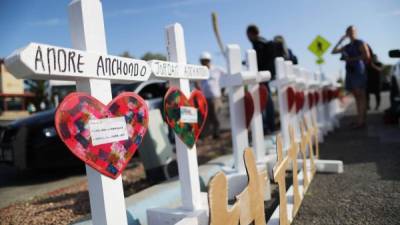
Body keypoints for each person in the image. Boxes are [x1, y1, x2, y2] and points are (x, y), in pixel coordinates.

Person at [246, 24, 287, 133]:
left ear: (251, 33)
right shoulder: (264, 42)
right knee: (266, 101)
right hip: (265, 76)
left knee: (265, 102)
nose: (247, 37)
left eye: (248, 34)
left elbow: (259, 61)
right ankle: (270, 125)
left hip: (261, 77)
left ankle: (269, 126)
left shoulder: (258, 44)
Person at [332, 25, 371, 128]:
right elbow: (333, 51)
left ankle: (361, 121)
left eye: (352, 31)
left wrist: (351, 59)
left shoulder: (360, 42)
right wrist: (340, 40)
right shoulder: (347, 46)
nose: (350, 33)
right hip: (350, 71)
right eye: (348, 32)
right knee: (357, 96)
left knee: (360, 95)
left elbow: (366, 56)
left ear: (356, 32)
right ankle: (360, 120)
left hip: (358, 70)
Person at [195, 52, 224, 139]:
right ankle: (206, 134)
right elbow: (196, 83)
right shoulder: (199, 71)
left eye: (206, 60)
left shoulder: (217, 69)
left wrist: (223, 88)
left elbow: (227, 76)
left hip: (215, 97)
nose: (205, 62)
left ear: (210, 61)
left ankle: (217, 133)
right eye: (203, 61)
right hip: (204, 98)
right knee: (206, 117)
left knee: (216, 115)